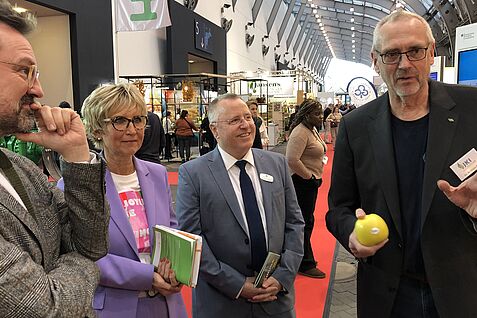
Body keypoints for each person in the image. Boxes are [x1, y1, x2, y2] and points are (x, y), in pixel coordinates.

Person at [325, 9, 477, 318]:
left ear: (432, 53)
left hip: (460, 289)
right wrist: (352, 234)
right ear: (375, 60)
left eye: (415, 51)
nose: (404, 64)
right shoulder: (356, 126)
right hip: (387, 293)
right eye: (392, 54)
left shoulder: (471, 109)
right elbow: (338, 207)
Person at [0, 1, 109, 316]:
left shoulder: (18, 166)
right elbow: (50, 308)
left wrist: (76, 155)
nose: (38, 89)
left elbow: (92, 244)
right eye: (25, 71)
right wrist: (83, 265)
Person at [59, 83, 187, 318]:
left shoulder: (156, 174)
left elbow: (171, 229)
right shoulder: (76, 186)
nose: (132, 130)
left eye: (138, 119)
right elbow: (83, 256)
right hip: (116, 307)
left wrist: (177, 269)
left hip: (167, 303)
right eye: (120, 120)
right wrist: (148, 276)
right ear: (97, 129)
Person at [175, 93, 304, 318]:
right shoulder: (193, 173)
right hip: (221, 303)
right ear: (215, 130)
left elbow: (294, 223)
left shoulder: (277, 164)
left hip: (276, 301)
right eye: (235, 120)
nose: (246, 125)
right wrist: (236, 285)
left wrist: (283, 276)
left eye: (247, 117)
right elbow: (192, 239)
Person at [286, 99, 327, 279]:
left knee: (306, 220)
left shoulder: (312, 129)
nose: (320, 117)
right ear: (307, 114)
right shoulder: (300, 132)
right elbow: (292, 159)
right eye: (316, 114)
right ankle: (305, 262)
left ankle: (299, 258)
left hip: (310, 182)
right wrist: (308, 177)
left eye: (320, 113)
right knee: (303, 222)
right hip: (302, 183)